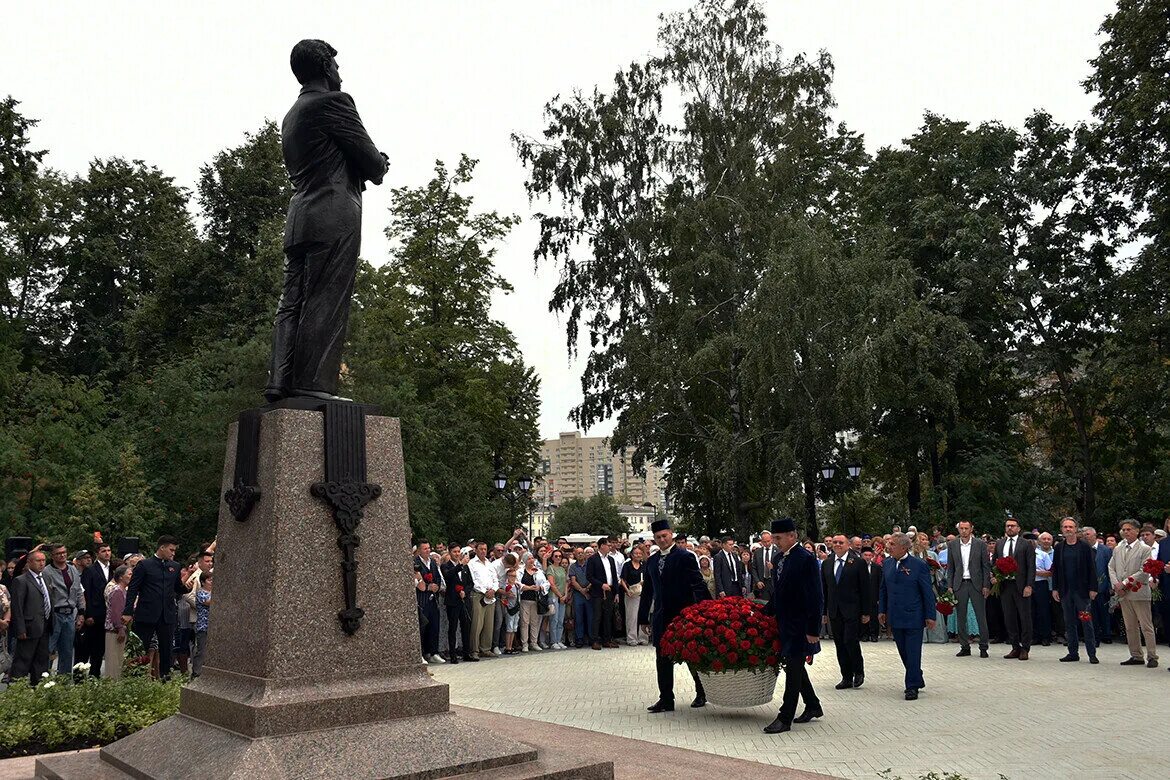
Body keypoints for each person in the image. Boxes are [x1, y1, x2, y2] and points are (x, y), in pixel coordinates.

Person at [264, 39, 390, 402]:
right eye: (336, 65)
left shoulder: (292, 115)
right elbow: (371, 162)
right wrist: (380, 162)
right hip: (333, 215)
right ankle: (313, 384)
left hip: (300, 216)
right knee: (326, 300)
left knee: (291, 303)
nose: (340, 72)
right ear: (324, 67)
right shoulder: (336, 103)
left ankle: (280, 381)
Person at [638, 518, 710, 714]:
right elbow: (648, 591)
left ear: (671, 534)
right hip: (661, 616)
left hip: (683, 614)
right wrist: (643, 617)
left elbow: (697, 583)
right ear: (654, 539)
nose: (662, 539)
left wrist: (707, 608)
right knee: (662, 658)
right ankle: (666, 699)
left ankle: (702, 692)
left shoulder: (685, 556)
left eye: (665, 536)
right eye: (658, 537)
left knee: (691, 656)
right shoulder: (651, 561)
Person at [761, 517, 822, 734]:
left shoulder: (805, 559)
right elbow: (779, 593)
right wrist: (763, 612)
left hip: (801, 625)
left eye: (778, 538)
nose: (775, 541)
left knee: (793, 670)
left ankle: (785, 717)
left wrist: (814, 630)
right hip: (784, 623)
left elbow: (816, 596)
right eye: (774, 537)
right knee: (795, 667)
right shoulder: (779, 559)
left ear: (792, 536)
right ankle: (813, 705)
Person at [122, 535, 192, 681]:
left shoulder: (175, 566)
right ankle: (136, 678)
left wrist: (186, 588)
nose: (173, 553)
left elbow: (177, 587)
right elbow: (133, 589)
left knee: (166, 649)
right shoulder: (144, 565)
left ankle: (166, 677)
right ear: (162, 547)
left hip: (167, 615)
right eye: (171, 550)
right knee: (141, 648)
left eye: (175, 551)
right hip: (146, 613)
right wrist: (128, 611)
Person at [879, 533, 936, 701]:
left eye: (892, 544)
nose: (889, 547)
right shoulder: (887, 563)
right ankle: (916, 675)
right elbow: (883, 589)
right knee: (903, 651)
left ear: (904, 547)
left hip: (914, 616)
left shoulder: (918, 565)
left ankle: (911, 687)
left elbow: (927, 592)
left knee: (912, 652)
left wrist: (930, 615)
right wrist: (882, 610)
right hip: (895, 616)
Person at [821, 534, 869, 690]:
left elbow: (865, 589)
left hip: (852, 610)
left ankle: (858, 672)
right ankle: (846, 677)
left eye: (840, 542)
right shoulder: (827, 563)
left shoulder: (858, 562)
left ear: (848, 545)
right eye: (834, 542)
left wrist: (866, 612)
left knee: (850, 640)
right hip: (834, 610)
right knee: (840, 644)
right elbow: (824, 589)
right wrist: (823, 612)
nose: (837, 544)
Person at [1108, 519, 1158, 668]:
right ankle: (1136, 655)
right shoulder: (1118, 549)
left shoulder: (1145, 549)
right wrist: (1116, 583)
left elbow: (1144, 570)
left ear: (1137, 531)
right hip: (1123, 594)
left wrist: (1124, 583)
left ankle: (1152, 656)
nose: (1126, 532)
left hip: (1139, 592)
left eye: (1129, 529)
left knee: (1146, 626)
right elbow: (1111, 566)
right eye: (1124, 529)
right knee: (1130, 626)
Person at [1051, 518, 1099, 664]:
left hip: (1082, 592)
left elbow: (1092, 568)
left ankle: (1092, 653)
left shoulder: (1084, 547)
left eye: (1070, 527)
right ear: (1062, 529)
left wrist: (1093, 588)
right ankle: (1073, 652)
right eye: (1065, 527)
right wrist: (1055, 588)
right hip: (1066, 591)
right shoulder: (1059, 547)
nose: (1068, 529)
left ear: (1076, 529)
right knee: (1069, 622)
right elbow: (1056, 570)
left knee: (1086, 621)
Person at [946, 521, 991, 658]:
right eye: (961, 528)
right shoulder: (952, 545)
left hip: (976, 583)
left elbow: (985, 566)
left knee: (980, 616)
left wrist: (986, 585)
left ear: (971, 529)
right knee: (961, 616)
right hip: (960, 583)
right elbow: (951, 567)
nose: (964, 531)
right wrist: (950, 586)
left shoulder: (980, 544)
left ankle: (983, 646)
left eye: (966, 528)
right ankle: (964, 646)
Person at [994, 517, 1036, 660]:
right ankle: (1015, 647)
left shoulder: (1026, 544)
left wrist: (1029, 585)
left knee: (1024, 618)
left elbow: (1031, 566)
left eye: (1013, 526)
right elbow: (995, 562)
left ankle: (1025, 647)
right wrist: (995, 576)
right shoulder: (999, 544)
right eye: (1007, 526)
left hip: (1021, 585)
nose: (1010, 528)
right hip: (1005, 585)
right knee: (1009, 617)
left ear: (1018, 528)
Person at [9, 550, 52, 685]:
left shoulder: (46, 578)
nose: (41, 563)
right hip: (28, 627)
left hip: (44, 625)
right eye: (38, 560)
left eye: (43, 560)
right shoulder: (21, 580)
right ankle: (16, 690)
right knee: (23, 661)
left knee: (41, 662)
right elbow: (17, 607)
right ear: (29, 563)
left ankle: (38, 689)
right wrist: (20, 628)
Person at [41, 543, 84, 675]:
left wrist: (81, 612)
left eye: (64, 552)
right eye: (59, 553)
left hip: (70, 613)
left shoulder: (73, 570)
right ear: (53, 556)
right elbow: (45, 594)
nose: (62, 555)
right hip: (54, 614)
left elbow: (79, 592)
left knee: (67, 650)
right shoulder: (47, 571)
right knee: (49, 648)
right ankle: (43, 678)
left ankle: (64, 681)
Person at [80, 543, 113, 678]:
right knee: (92, 646)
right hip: (95, 613)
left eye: (109, 550)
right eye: (103, 551)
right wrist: (88, 614)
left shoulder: (114, 569)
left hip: (109, 613)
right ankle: (86, 675)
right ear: (98, 553)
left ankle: (97, 674)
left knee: (102, 648)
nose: (107, 553)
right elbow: (86, 593)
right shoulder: (90, 570)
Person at [441, 542, 476, 663]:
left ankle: (467, 653)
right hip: (452, 601)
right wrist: (460, 565)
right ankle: (453, 654)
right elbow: (448, 576)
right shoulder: (446, 566)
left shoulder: (465, 567)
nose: (457, 554)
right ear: (450, 553)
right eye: (454, 552)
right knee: (453, 627)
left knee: (465, 626)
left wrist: (465, 592)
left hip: (464, 600)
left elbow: (470, 583)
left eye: (458, 551)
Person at [413, 541, 444, 665]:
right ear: (419, 550)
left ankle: (434, 652)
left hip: (433, 599)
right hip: (422, 599)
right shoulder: (415, 563)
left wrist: (436, 586)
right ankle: (422, 653)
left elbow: (437, 576)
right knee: (422, 627)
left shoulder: (432, 562)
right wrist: (427, 587)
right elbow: (416, 583)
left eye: (428, 548)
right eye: (424, 548)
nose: (427, 550)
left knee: (434, 625)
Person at [468, 542, 501, 659]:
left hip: (491, 596)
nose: (483, 551)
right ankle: (474, 650)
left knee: (489, 623)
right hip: (478, 595)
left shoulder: (489, 564)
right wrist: (484, 591)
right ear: (476, 550)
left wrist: (493, 590)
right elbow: (473, 581)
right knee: (477, 624)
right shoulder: (471, 564)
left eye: (485, 549)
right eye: (481, 549)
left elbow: (495, 579)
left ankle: (485, 648)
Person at [586, 537, 620, 649]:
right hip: (598, 592)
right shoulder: (593, 559)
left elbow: (614, 576)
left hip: (610, 591)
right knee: (597, 616)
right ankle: (595, 640)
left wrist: (616, 592)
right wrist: (601, 584)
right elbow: (589, 576)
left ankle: (607, 639)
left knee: (608, 616)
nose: (610, 547)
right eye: (608, 545)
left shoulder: (610, 559)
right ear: (601, 546)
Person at [1083, 526, 1113, 644]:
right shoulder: (1082, 549)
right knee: (1091, 612)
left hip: (1102, 586)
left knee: (1104, 611)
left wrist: (1111, 585)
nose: (1086, 536)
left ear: (1095, 536)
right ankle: (1094, 636)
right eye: (1084, 534)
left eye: (1088, 534)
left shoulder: (1105, 550)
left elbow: (1110, 568)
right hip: (1087, 587)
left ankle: (1107, 634)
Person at [103, 565, 132, 679]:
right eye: (129, 574)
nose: (132, 576)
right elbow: (116, 612)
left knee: (120, 661)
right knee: (114, 663)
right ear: (121, 577)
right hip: (115, 632)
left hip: (120, 630)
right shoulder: (117, 591)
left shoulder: (123, 591)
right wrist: (120, 628)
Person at [517, 555, 549, 652]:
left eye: (532, 559)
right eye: (529, 559)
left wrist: (540, 587)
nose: (531, 560)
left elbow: (546, 583)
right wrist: (528, 587)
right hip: (524, 599)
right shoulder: (520, 571)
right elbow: (517, 583)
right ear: (525, 561)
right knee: (524, 622)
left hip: (536, 599)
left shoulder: (538, 571)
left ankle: (534, 643)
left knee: (535, 622)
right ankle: (525, 644)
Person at [620, 546, 647, 646]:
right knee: (632, 616)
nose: (638, 555)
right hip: (631, 593)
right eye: (636, 553)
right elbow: (622, 579)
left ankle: (643, 637)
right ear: (631, 554)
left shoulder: (644, 564)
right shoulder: (627, 565)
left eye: (640, 553)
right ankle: (631, 638)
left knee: (643, 615)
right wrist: (627, 591)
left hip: (643, 593)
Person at [1032, 532, 1055, 646]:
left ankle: (1046, 636)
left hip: (1041, 584)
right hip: (1028, 585)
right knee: (1031, 611)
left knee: (1043, 611)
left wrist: (1035, 572)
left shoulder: (1042, 555)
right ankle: (1035, 636)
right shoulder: (1023, 554)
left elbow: (1050, 572)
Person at [568, 549, 593, 648]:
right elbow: (573, 581)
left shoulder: (590, 565)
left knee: (590, 617)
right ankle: (579, 638)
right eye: (578, 553)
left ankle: (591, 638)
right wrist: (583, 591)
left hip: (590, 592)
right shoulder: (573, 566)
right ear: (575, 555)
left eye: (582, 553)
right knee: (579, 617)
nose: (580, 554)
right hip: (578, 594)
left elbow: (593, 577)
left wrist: (587, 589)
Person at [545, 549, 569, 650]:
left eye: (560, 556)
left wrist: (565, 595)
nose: (558, 558)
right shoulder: (550, 568)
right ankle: (553, 641)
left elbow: (566, 583)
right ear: (552, 557)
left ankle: (559, 640)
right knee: (554, 620)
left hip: (563, 597)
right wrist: (560, 596)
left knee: (560, 620)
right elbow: (552, 584)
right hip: (554, 596)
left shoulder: (562, 569)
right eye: (556, 556)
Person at [191, 572, 212, 678]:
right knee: (201, 650)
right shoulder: (201, 593)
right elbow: (208, 602)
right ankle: (196, 673)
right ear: (203, 582)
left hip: (213, 627)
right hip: (203, 626)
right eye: (209, 580)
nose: (212, 582)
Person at [861, 547, 882, 641]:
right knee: (863, 615)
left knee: (874, 616)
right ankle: (864, 634)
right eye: (865, 555)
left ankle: (874, 635)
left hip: (874, 596)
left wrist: (879, 597)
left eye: (870, 555)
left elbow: (880, 583)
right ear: (862, 556)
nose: (867, 557)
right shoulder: (858, 567)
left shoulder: (876, 567)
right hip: (862, 596)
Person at [751, 531, 778, 602]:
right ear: (761, 541)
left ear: (772, 539)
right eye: (764, 542)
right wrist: (757, 581)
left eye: (768, 541)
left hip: (774, 583)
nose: (767, 543)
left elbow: (782, 568)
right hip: (762, 584)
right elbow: (753, 568)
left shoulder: (778, 551)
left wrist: (773, 568)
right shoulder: (757, 552)